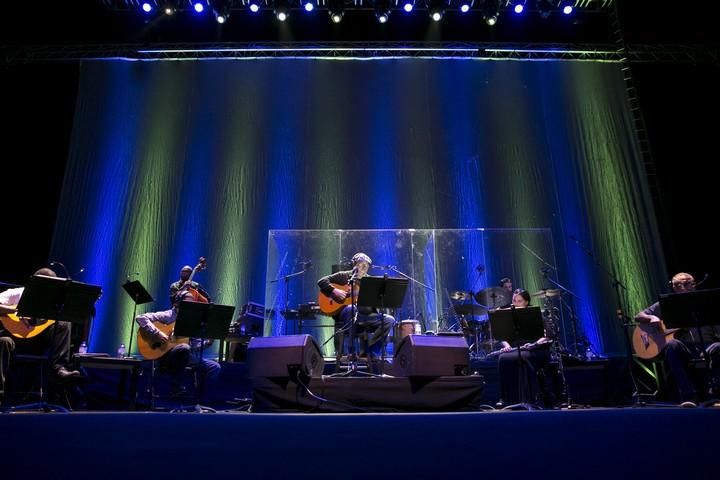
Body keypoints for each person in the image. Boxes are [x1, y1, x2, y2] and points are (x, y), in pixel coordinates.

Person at [135, 266, 220, 401]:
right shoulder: (169, 316)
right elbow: (141, 318)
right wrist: (158, 333)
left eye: (192, 304)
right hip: (165, 357)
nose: (191, 307)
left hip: (186, 356)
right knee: (184, 348)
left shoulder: (192, 321)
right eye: (188, 304)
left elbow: (194, 346)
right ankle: (176, 387)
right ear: (178, 303)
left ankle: (200, 400)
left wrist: (208, 342)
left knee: (214, 367)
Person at [635, 272, 720, 406]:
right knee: (672, 345)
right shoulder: (668, 303)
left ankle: (716, 396)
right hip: (685, 348)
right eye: (681, 284)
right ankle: (689, 397)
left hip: (708, 345)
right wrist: (652, 317)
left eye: (690, 283)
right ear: (674, 287)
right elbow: (639, 316)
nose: (687, 287)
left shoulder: (705, 302)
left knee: (718, 347)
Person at [0, 268, 81, 396]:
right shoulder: (16, 293)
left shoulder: (53, 301)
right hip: (15, 340)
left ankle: (59, 369)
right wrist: (17, 310)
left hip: (39, 342)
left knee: (64, 323)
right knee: (3, 341)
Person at [317, 253, 395, 368]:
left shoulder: (369, 281)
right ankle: (350, 352)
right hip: (346, 314)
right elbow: (322, 281)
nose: (363, 267)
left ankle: (371, 351)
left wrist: (380, 297)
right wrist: (334, 291)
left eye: (366, 265)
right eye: (360, 264)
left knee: (389, 320)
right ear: (354, 264)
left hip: (366, 316)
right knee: (351, 308)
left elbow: (376, 302)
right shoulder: (344, 276)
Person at [496, 288, 557, 407]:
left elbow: (548, 335)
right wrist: (507, 346)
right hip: (516, 348)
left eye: (519, 301)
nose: (515, 303)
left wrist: (534, 344)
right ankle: (506, 398)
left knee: (524, 356)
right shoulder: (509, 315)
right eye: (514, 300)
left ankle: (532, 397)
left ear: (526, 302)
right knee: (502, 358)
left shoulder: (535, 314)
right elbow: (502, 336)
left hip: (535, 348)